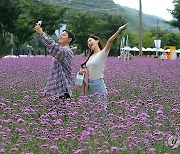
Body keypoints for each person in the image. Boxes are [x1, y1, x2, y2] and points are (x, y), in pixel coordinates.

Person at [79, 23, 128, 112]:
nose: (89, 43)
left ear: (97, 41)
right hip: (89, 87)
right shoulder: (90, 57)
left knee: (101, 113)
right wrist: (82, 72)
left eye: (90, 40)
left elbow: (109, 41)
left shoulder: (102, 54)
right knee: (92, 114)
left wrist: (119, 30)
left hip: (98, 85)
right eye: (88, 42)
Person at [34, 23, 75, 99]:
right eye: (61, 34)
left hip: (62, 91)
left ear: (69, 39)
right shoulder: (60, 52)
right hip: (54, 92)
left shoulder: (66, 51)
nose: (60, 36)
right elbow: (53, 73)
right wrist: (47, 89)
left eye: (63, 35)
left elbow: (53, 46)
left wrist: (41, 33)